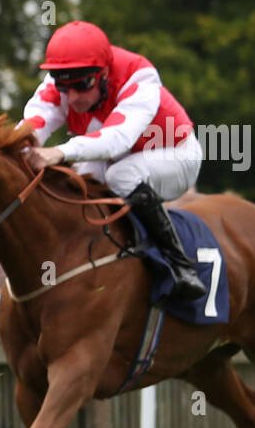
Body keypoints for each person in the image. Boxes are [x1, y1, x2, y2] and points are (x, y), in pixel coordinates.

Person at [22, 21, 206, 300]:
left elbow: (117, 138)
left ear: (104, 74)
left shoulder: (140, 76)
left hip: (175, 154)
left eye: (83, 85)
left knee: (120, 175)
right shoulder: (63, 80)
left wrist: (59, 152)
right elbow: (34, 123)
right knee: (79, 184)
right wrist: (15, 148)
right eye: (64, 86)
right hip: (119, 157)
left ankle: (179, 265)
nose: (72, 97)